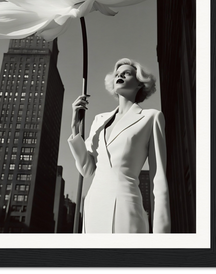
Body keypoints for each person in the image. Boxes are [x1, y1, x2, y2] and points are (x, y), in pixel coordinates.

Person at [68, 58, 170, 233]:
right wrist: (75, 129)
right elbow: (87, 170)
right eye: (117, 74)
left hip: (126, 208)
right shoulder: (99, 120)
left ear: (140, 83)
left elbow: (158, 180)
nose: (120, 75)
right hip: (93, 208)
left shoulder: (151, 117)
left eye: (127, 73)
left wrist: (162, 237)